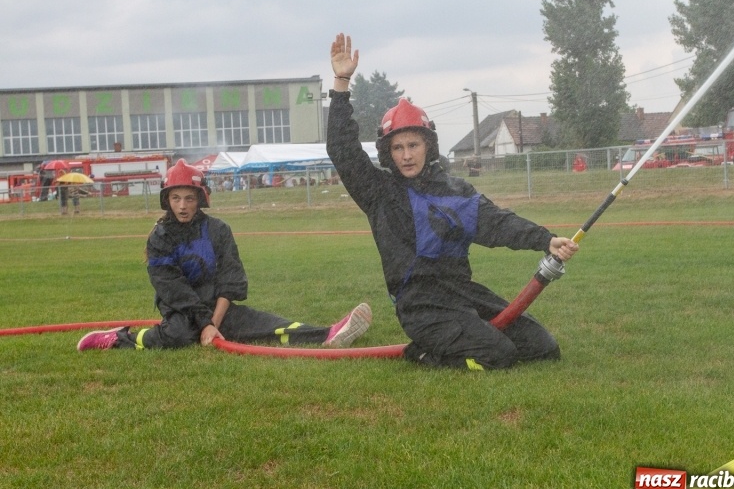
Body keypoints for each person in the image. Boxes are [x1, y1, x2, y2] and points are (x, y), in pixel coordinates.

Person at [326, 33, 578, 370]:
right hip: (420, 305)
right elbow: (342, 150)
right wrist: (342, 82)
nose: (406, 155)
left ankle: (459, 339)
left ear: (428, 146)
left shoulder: (457, 191)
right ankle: (423, 353)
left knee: (542, 348)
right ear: (388, 152)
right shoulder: (378, 193)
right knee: (498, 355)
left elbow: (498, 223)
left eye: (413, 145)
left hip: (463, 294)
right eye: (397, 148)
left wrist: (545, 239)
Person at [77, 159, 371, 351]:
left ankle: (329, 334)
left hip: (218, 306)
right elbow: (174, 290)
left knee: (262, 326)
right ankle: (117, 338)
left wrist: (214, 323)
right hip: (183, 310)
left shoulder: (218, 229)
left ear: (200, 199)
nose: (182, 206)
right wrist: (203, 324)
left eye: (189, 198)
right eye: (175, 198)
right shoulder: (159, 238)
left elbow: (230, 277)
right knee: (178, 336)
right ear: (166, 200)